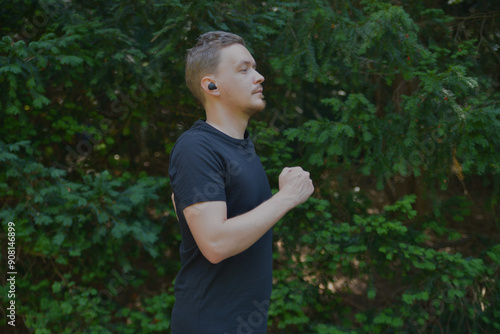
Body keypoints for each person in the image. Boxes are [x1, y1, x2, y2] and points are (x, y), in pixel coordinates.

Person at [168, 31, 314, 334]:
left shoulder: (240, 147)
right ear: (211, 85)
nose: (259, 77)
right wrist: (287, 197)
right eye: (244, 69)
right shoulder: (196, 148)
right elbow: (215, 244)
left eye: (255, 67)